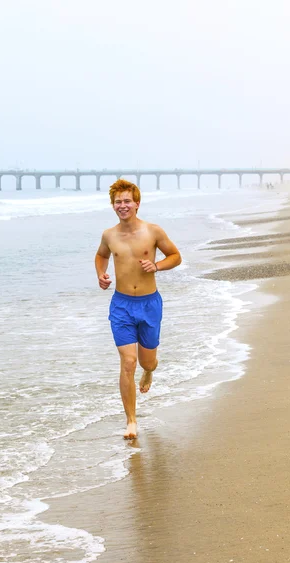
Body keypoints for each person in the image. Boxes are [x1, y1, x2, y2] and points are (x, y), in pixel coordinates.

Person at [95, 179, 182, 439]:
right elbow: (101, 255)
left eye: (127, 201)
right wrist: (101, 274)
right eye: (118, 202)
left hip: (149, 304)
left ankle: (149, 373)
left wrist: (157, 266)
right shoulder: (109, 235)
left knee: (147, 362)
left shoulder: (153, 231)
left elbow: (175, 256)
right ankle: (131, 421)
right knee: (128, 362)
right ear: (113, 206)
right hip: (121, 305)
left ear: (137, 203)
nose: (122, 206)